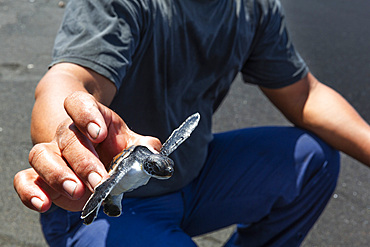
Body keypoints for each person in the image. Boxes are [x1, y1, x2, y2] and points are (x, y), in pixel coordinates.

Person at [13, 0, 370, 246]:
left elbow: (305, 95)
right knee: (88, 197)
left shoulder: (250, 8)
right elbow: (69, 81)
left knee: (313, 158)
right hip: (102, 204)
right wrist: (65, 140)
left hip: (192, 177)